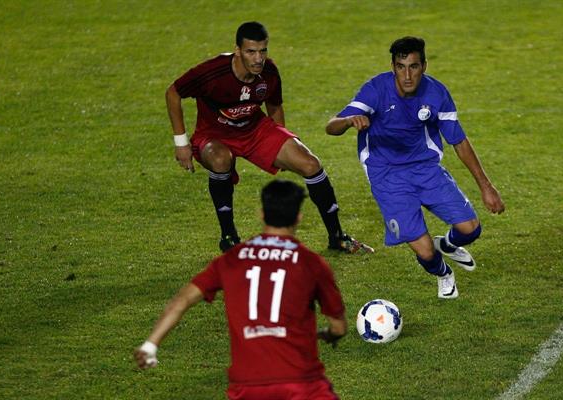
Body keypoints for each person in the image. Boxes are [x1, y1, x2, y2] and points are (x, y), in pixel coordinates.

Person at [166, 21, 372, 254]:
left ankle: (337, 236)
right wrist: (181, 143)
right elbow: (173, 92)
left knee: (311, 164)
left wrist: (281, 142)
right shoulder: (212, 72)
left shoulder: (269, 72)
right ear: (237, 50)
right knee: (220, 160)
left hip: (255, 130)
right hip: (214, 135)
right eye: (250, 52)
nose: (257, 59)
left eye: (262, 51)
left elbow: (274, 106)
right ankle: (229, 238)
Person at [325, 37, 505, 299]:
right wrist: (349, 121)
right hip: (386, 174)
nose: (407, 75)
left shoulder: (437, 94)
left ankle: (447, 244)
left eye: (413, 66)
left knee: (471, 229)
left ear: (424, 66)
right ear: (392, 66)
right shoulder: (375, 89)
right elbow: (332, 125)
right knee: (424, 251)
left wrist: (486, 186)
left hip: (425, 167)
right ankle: (444, 273)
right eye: (401, 67)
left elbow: (459, 141)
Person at [134, 179, 347, 399]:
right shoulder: (311, 263)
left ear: (262, 214)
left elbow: (182, 300)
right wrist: (326, 334)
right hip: (301, 382)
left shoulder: (231, 260)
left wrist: (151, 345)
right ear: (298, 218)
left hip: (247, 386)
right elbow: (338, 327)